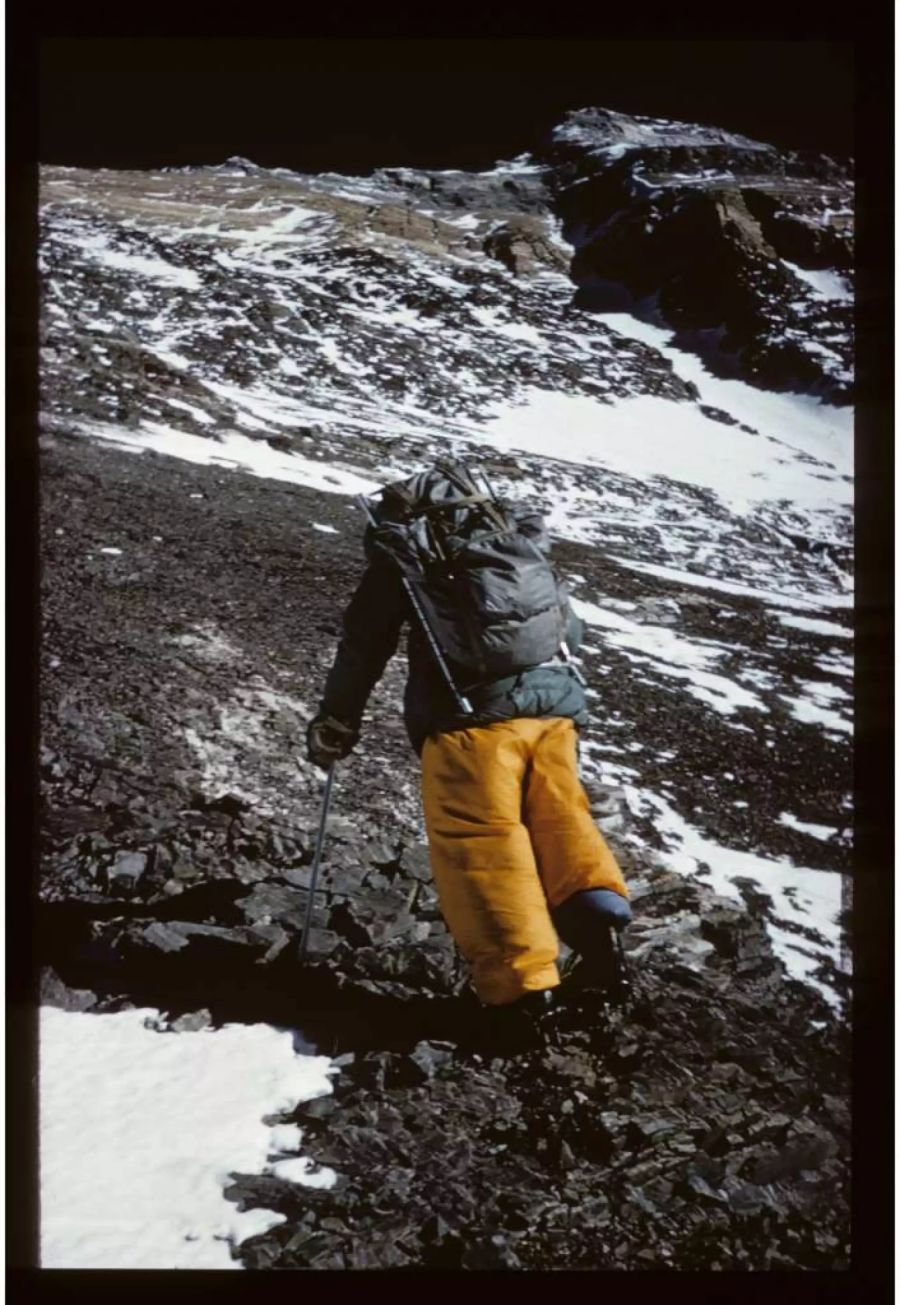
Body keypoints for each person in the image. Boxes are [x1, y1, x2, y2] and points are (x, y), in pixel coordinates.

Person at [306, 462, 631, 1042]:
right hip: (555, 713)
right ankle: (603, 950)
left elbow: (364, 645)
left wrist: (337, 721)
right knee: (562, 825)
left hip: (471, 726)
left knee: (485, 850)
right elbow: (568, 633)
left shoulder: (409, 556)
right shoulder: (513, 542)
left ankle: (521, 1001)